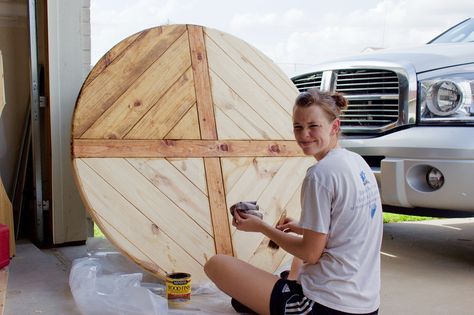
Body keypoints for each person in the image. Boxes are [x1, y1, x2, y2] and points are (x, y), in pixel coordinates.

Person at [204, 88, 383, 315]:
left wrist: (261, 228)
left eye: (313, 126)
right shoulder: (356, 162)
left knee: (217, 265)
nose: (304, 134)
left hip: (328, 306)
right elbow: (354, 225)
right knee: (241, 300)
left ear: (334, 127)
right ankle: (280, 290)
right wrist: (303, 228)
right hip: (366, 305)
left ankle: (284, 293)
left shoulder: (320, 174)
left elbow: (310, 254)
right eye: (298, 127)